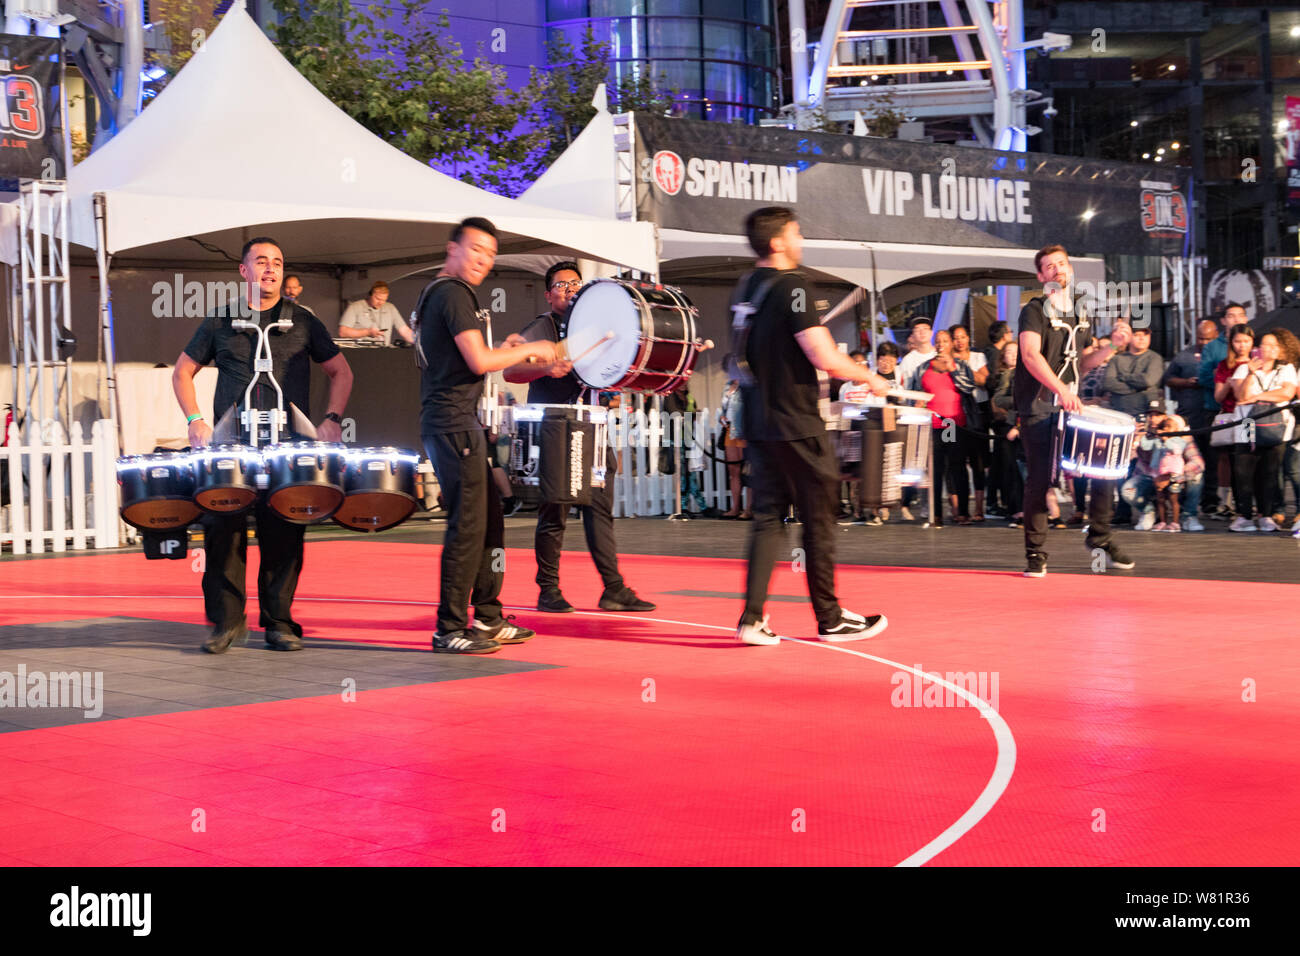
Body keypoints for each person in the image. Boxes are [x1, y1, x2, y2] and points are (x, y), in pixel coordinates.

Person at [172, 238, 354, 653]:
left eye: (277, 262)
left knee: (285, 532)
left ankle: (279, 622)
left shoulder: (303, 322)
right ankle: (227, 623)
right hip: (231, 448)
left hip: (286, 448)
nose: (270, 269)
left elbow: (341, 372)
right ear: (244, 271)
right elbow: (183, 372)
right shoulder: (220, 321)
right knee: (222, 531)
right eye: (261, 261)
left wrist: (330, 419)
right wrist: (196, 420)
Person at [731, 206, 892, 645]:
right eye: (796, 232)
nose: (801, 239)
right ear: (778, 241)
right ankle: (830, 617)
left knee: (767, 518)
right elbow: (822, 355)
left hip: (759, 421)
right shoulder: (795, 286)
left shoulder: (748, 287)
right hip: (798, 423)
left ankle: (752, 618)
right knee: (819, 519)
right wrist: (869, 376)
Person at [417, 217, 559, 654]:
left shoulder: (440, 295)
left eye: (491, 254)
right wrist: (534, 350)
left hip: (458, 423)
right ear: (452, 249)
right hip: (453, 423)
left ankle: (489, 616)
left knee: (490, 521)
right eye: (476, 249)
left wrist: (521, 352)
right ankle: (450, 627)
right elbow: (479, 360)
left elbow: (475, 357)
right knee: (468, 527)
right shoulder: (452, 293)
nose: (484, 259)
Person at [503, 260, 656, 614]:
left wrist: (610, 391)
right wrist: (546, 366)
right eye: (561, 286)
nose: (570, 291)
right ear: (548, 294)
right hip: (557, 428)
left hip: (594, 427)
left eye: (575, 284)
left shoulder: (593, 328)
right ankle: (548, 590)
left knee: (600, 510)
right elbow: (511, 370)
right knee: (554, 511)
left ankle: (613, 588)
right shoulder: (543, 327)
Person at [1015, 244, 1132, 577]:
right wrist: (1061, 390)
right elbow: (1030, 355)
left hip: (1072, 406)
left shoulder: (1082, 309)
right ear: (1041, 275)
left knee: (1103, 471)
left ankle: (1100, 538)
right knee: (1041, 481)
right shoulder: (1034, 310)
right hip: (1040, 406)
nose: (1057, 270)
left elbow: (1082, 361)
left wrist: (1112, 346)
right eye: (1049, 267)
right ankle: (1036, 553)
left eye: (1061, 264)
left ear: (1071, 269)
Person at [1227, 330, 1298, 532]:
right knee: (1243, 471)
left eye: (1275, 345)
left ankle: (1267, 515)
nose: (1271, 348)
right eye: (1266, 344)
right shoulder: (1243, 369)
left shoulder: (1286, 368)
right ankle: (1245, 516)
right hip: (1246, 423)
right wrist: (1250, 374)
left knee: (1270, 472)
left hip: (1276, 425)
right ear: (1258, 348)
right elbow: (1241, 396)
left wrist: (1258, 398)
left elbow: (1287, 392)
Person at [1122, 402, 1204, 532]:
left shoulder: (1179, 432)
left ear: (1166, 417)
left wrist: (1175, 476)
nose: (1153, 419)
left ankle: (1189, 516)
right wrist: (1136, 438)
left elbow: (1198, 463)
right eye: (1150, 415)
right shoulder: (1145, 434)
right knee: (1128, 490)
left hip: (1175, 477)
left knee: (1197, 476)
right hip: (1150, 477)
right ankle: (1149, 512)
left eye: (1158, 415)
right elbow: (1132, 457)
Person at [1198, 304, 1248, 518]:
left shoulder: (1253, 344)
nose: (1236, 319)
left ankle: (1244, 502)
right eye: (1231, 315)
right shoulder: (1213, 347)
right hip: (1218, 410)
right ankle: (1221, 502)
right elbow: (1204, 377)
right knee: (1221, 457)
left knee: (1245, 457)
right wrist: (1227, 383)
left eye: (1240, 315)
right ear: (1223, 321)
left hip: (1248, 412)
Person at [949, 322, 989, 522]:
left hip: (976, 413)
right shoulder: (946, 359)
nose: (960, 341)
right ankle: (958, 509)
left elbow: (984, 380)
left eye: (963, 336)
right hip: (952, 414)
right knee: (954, 461)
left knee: (977, 462)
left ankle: (979, 508)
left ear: (968, 339)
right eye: (955, 337)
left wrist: (962, 367)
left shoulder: (977, 357)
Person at [1102, 325, 1164, 416]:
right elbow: (1108, 383)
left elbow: (1147, 381)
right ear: (1128, 338)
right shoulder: (1116, 359)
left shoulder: (1155, 358)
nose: (1142, 338)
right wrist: (1138, 387)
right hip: (1119, 412)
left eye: (1145, 335)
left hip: (1147, 413)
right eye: (1137, 335)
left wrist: (1122, 377)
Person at [718, 374, 752, 520]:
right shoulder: (728, 385)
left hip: (745, 430)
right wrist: (722, 417)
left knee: (748, 471)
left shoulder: (750, 383)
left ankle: (749, 509)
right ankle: (735, 507)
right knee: (734, 470)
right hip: (730, 430)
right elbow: (725, 409)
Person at [339, 281, 414, 345]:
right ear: (370, 295)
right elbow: (343, 332)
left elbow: (404, 330)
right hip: (361, 353)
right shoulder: (355, 307)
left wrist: (418, 341)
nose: (381, 302)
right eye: (377, 298)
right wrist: (367, 332)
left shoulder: (390, 308)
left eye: (384, 300)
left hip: (383, 353)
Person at [897, 317, 936, 392]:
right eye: (917, 330)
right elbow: (904, 387)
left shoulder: (939, 355)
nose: (922, 332)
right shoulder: (908, 360)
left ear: (931, 332)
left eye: (925, 329)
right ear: (913, 335)